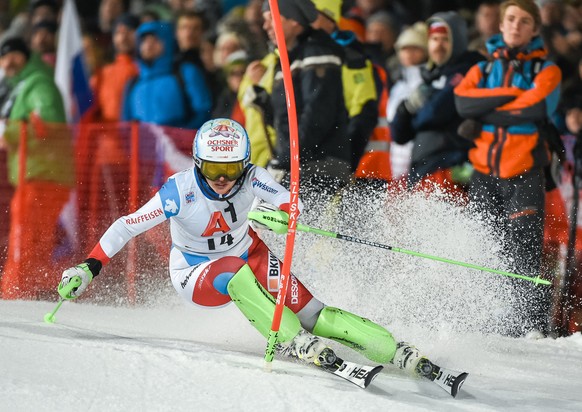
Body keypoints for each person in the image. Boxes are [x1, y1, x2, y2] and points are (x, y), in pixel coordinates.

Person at [58, 117, 452, 384]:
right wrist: (88, 268)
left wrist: (282, 213)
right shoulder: (180, 191)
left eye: (232, 169)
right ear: (198, 164)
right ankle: (293, 340)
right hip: (197, 274)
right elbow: (127, 225)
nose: (225, 180)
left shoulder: (250, 177)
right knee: (234, 268)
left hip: (249, 251)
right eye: (214, 170)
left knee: (309, 308)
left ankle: (392, 348)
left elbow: (288, 201)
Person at [454, 0, 561, 335]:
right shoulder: (481, 69)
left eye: (524, 21)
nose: (516, 26)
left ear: (534, 30)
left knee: (524, 251)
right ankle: (485, 318)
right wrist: (514, 93)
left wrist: (485, 111)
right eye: (510, 19)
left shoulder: (548, 71)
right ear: (500, 26)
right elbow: (462, 102)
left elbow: (535, 109)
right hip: (484, 173)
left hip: (525, 171)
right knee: (484, 246)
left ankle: (529, 324)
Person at [0, 38, 72, 299]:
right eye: (3, 57)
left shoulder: (38, 83)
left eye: (14, 55)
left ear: (26, 56)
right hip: (38, 175)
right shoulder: (24, 86)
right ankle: (27, 290)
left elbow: (48, 123)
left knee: (26, 237)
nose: (8, 61)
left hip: (42, 175)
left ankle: (15, 293)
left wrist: (10, 132)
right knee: (36, 240)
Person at [390, 11, 484, 191]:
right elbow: (399, 134)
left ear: (458, 41)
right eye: (434, 39)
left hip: (451, 167)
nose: (438, 45)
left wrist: (415, 112)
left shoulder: (469, 70)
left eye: (445, 39)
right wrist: (406, 108)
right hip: (422, 170)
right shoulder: (430, 78)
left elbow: (436, 112)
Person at [266, 0, 351, 194]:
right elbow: (287, 120)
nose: (266, 26)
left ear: (295, 21)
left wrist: (289, 156)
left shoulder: (316, 51)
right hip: (299, 162)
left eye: (272, 18)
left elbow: (318, 113)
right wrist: (264, 105)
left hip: (320, 164)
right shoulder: (289, 58)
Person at [122, 21, 212, 130]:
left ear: (167, 41)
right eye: (144, 41)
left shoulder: (186, 72)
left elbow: (204, 111)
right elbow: (125, 125)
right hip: (143, 146)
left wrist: (183, 135)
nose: (148, 45)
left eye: (155, 40)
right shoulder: (133, 83)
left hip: (181, 144)